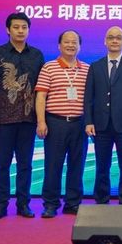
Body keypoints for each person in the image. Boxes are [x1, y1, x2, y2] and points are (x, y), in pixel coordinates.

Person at [0, 12, 45, 220]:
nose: (20, 31)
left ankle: (23, 204)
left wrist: (42, 118)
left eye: (24, 27)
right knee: (2, 164)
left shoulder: (36, 55)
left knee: (25, 164)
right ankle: (0, 205)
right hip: (4, 119)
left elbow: (42, 90)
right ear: (8, 30)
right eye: (16, 27)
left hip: (28, 119)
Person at [84, 26, 122, 205]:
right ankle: (101, 199)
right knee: (102, 166)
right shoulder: (95, 66)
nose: (115, 41)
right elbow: (88, 97)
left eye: (119, 38)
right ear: (105, 41)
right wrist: (88, 121)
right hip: (100, 126)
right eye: (111, 37)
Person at [35, 30, 89, 218]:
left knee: (77, 165)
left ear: (79, 46)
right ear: (59, 45)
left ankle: (73, 203)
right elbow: (41, 97)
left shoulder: (87, 69)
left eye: (74, 42)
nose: (70, 45)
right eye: (67, 42)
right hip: (55, 123)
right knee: (53, 165)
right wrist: (41, 121)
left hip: (79, 124)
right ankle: (50, 204)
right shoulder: (49, 67)